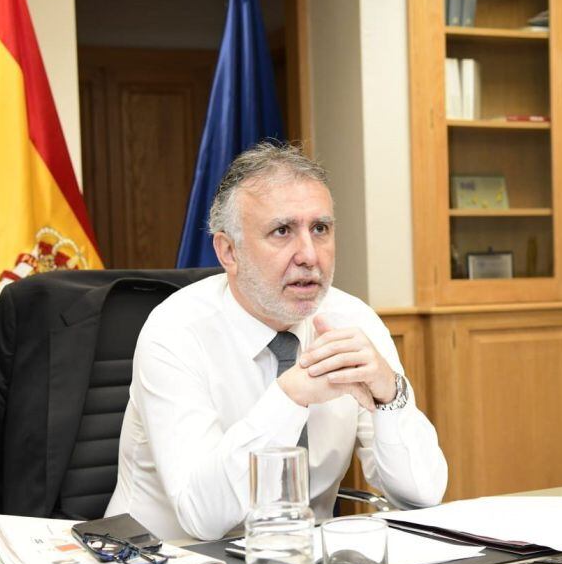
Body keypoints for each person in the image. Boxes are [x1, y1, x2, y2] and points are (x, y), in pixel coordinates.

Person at [106, 142, 448, 540]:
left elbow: (425, 495)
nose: (309, 255)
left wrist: (391, 396)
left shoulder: (352, 320)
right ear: (228, 251)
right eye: (282, 231)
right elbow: (203, 518)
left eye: (320, 229)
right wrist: (289, 398)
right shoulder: (175, 332)